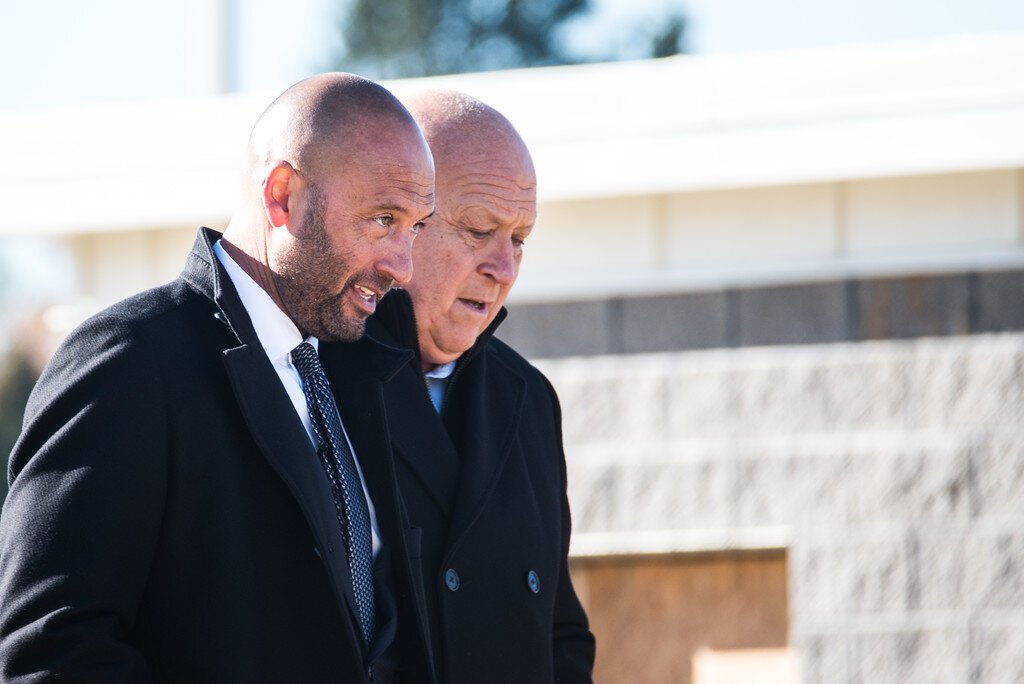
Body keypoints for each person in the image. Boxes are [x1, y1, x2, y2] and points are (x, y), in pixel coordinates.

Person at [0, 73, 437, 683]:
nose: (403, 265)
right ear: (282, 194)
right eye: (383, 219)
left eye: (416, 226)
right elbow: (51, 648)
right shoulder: (128, 360)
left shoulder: (354, 372)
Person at [343, 89, 596, 683]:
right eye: (479, 229)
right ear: (398, 224)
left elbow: (559, 633)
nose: (504, 268)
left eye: (519, 239)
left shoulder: (527, 398)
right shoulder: (312, 375)